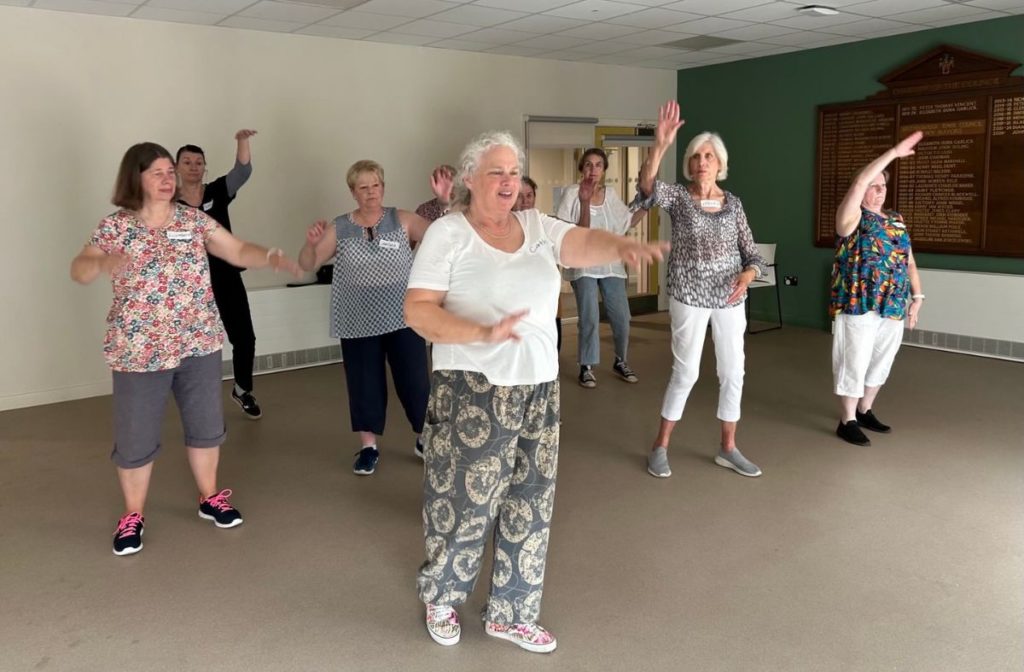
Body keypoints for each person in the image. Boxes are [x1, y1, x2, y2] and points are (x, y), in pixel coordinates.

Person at [405, 131, 667, 653]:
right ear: (470, 181)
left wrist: (623, 246)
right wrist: (480, 332)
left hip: (539, 386)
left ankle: (511, 610)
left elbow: (578, 243)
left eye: (513, 173)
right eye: (496, 173)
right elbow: (418, 311)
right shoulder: (449, 234)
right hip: (472, 386)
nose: (507, 182)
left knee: (530, 500)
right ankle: (442, 595)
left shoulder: (536, 225)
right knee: (465, 500)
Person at [70, 142, 300, 556]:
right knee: (136, 435)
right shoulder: (115, 227)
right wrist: (101, 264)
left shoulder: (194, 220)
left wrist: (268, 256)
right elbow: (80, 267)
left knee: (205, 426)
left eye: (168, 172)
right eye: (157, 172)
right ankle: (133, 514)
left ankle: (210, 497)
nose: (167, 179)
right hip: (138, 349)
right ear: (134, 177)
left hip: (198, 341)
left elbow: (234, 248)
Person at [636, 101, 767, 480]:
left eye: (708, 156)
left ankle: (728, 448)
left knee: (733, 371)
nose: (702, 162)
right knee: (686, 372)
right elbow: (646, 187)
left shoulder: (734, 204)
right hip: (688, 295)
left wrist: (749, 273)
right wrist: (660, 144)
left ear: (720, 163)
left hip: (729, 296)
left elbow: (752, 251)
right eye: (695, 156)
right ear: (689, 164)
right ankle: (660, 447)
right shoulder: (678, 197)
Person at [299, 160, 432, 476]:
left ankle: (424, 437)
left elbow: (445, 239)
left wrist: (444, 202)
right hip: (357, 318)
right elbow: (308, 262)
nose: (371, 192)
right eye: (363, 187)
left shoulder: (402, 219)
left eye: (375, 185)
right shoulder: (340, 226)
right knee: (364, 383)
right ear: (352, 192)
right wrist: (310, 242)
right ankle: (369, 446)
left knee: (415, 380)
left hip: (402, 316)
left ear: (383, 187)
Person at [831, 131, 925, 446]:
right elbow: (858, 185)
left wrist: (918, 297)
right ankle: (847, 420)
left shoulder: (896, 219)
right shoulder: (852, 218)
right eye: (874, 185)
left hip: (893, 304)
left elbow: (908, 262)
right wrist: (894, 152)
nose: (879, 191)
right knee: (853, 360)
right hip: (859, 301)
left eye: (883, 186)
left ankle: (866, 409)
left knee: (882, 359)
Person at [177, 130, 264, 419]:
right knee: (191, 343)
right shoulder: (168, 204)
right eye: (187, 162)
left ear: (205, 167)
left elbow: (243, 170)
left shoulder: (217, 192)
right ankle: (192, 396)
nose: (193, 166)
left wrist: (242, 141)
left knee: (244, 337)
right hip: (189, 283)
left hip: (225, 275)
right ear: (177, 168)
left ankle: (242, 389)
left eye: (198, 162)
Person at [555, 148, 645, 388]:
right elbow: (577, 234)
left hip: (610, 264)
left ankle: (621, 360)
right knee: (590, 316)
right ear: (581, 169)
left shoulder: (611, 194)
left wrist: (648, 204)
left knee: (621, 316)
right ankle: (586, 365)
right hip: (583, 264)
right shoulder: (572, 193)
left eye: (597, 165)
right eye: (588, 165)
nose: (592, 170)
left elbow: (626, 222)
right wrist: (584, 202)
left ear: (604, 170)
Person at [514, 175, 563, 352]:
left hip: (545, 304)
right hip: (517, 307)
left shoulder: (545, 223)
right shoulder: (502, 226)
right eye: (520, 196)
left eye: (529, 195)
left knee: (550, 349)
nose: (525, 201)